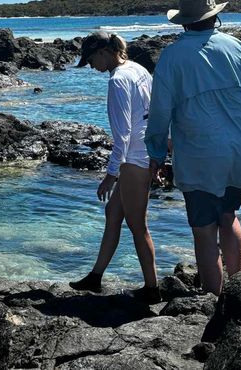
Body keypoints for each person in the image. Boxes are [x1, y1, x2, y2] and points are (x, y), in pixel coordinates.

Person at [145, 0, 241, 295]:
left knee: (203, 230)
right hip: (240, 151)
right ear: (216, 17)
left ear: (184, 23)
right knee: (229, 216)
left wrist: (156, 154)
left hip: (199, 154)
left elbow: (160, 112)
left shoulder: (172, 58)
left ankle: (215, 303)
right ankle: (239, 291)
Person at [69, 31, 160, 302]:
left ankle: (152, 290)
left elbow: (122, 134)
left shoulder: (118, 81)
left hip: (134, 158)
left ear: (103, 52)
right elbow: (154, 111)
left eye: (91, 60)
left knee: (137, 225)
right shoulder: (137, 69)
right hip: (144, 152)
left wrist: (110, 175)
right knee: (113, 212)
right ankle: (95, 277)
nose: (92, 67)